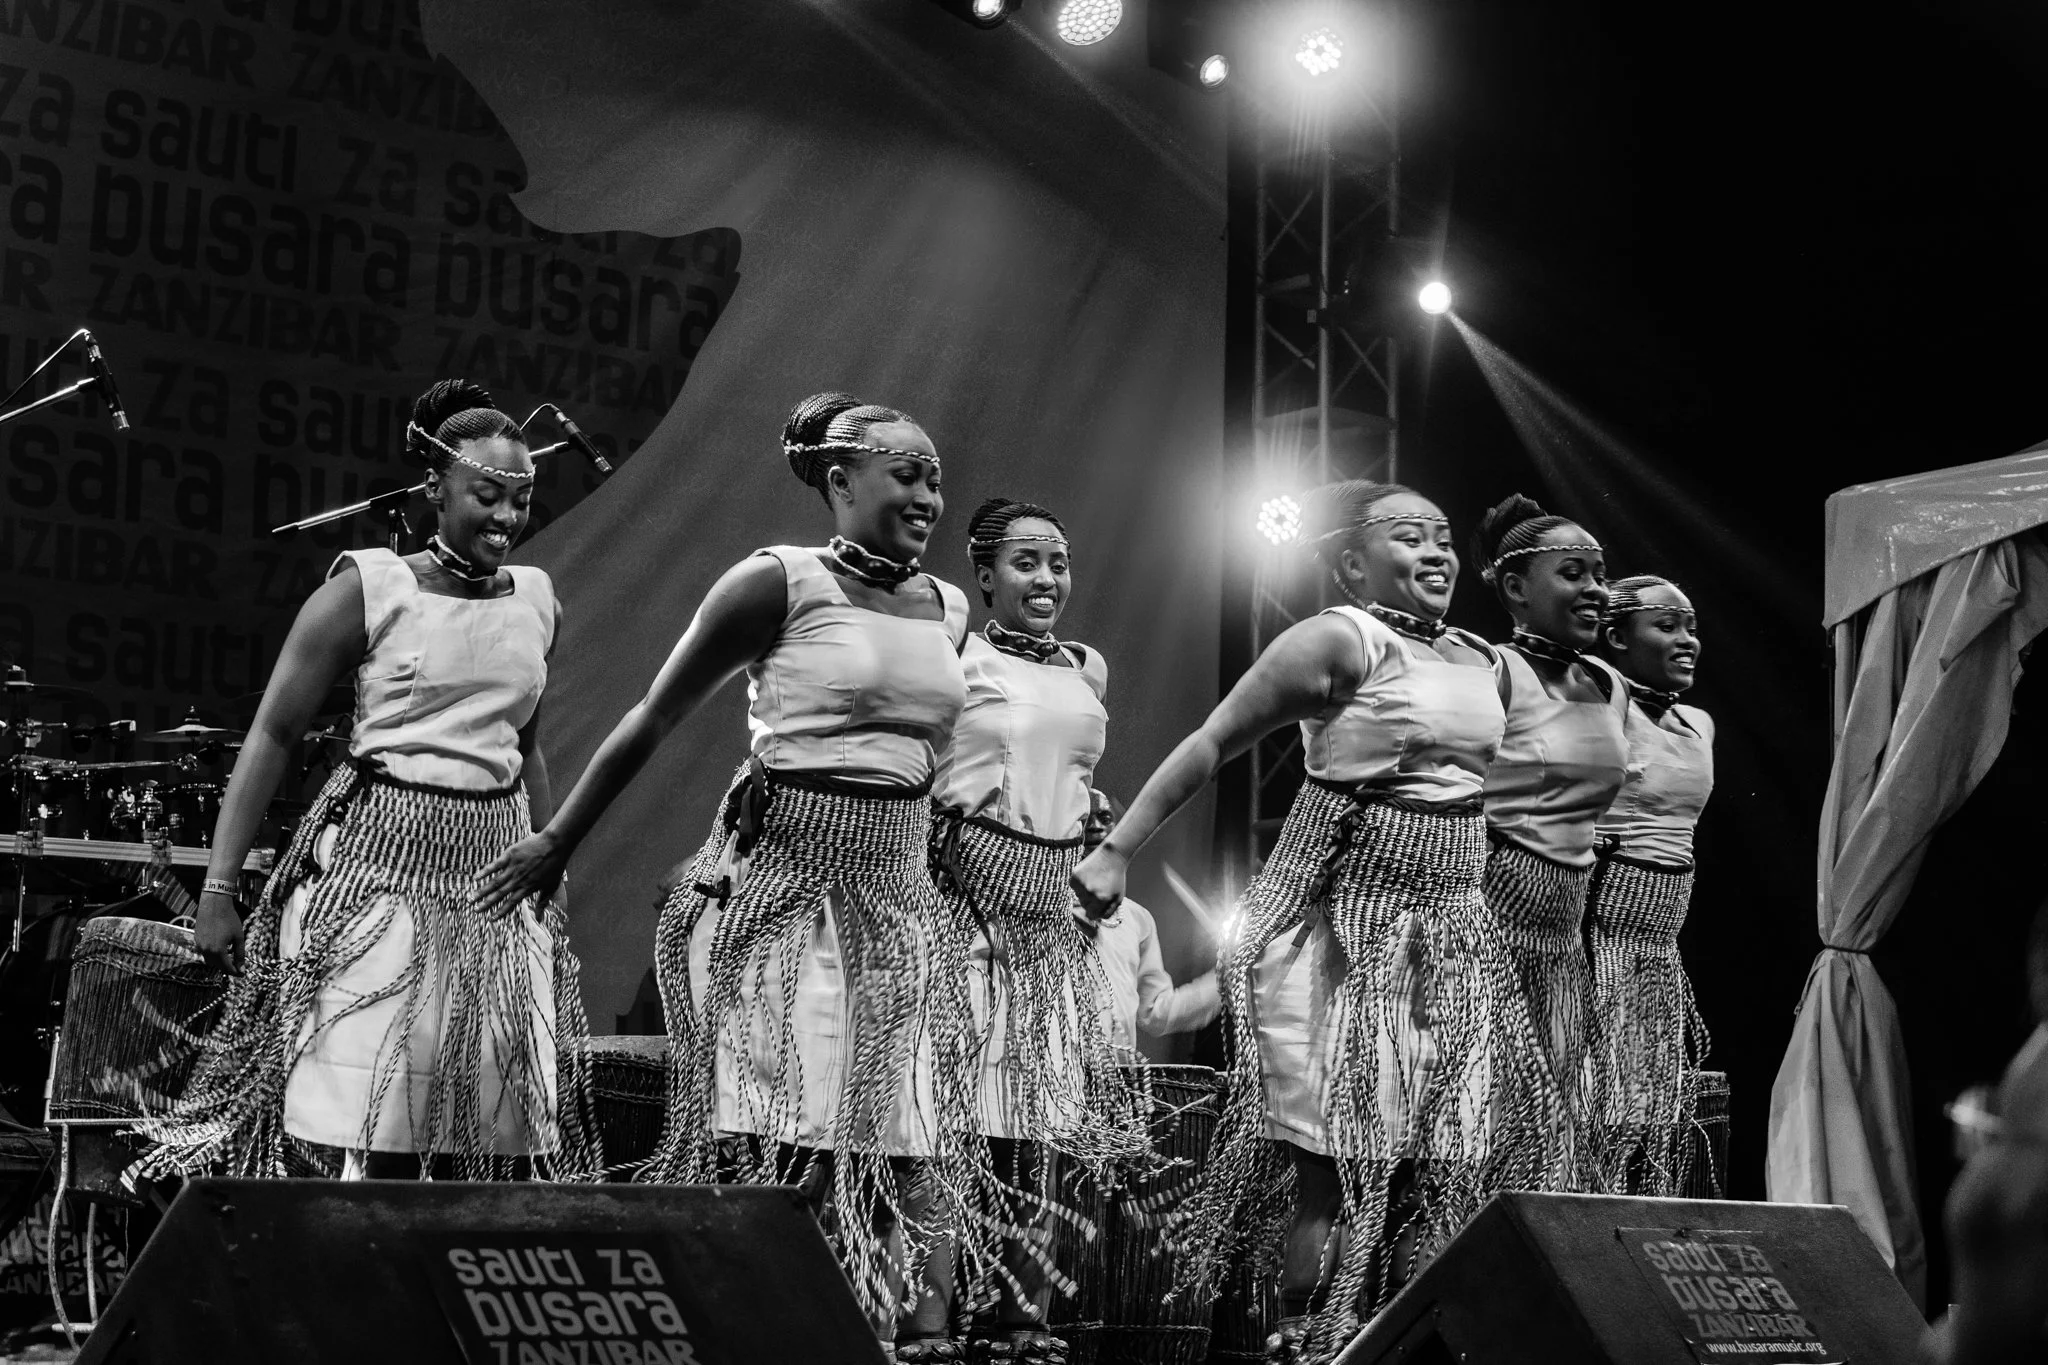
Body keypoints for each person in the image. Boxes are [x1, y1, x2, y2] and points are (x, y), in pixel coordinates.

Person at [476, 393, 970, 1358]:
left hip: (897, 905)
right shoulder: (775, 582)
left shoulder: (949, 607)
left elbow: (918, 755)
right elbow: (651, 718)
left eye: (936, 479)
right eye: (907, 474)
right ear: (840, 480)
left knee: (897, 1142)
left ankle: (877, 1337)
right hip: (789, 905)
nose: (928, 495)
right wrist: (558, 837)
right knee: (794, 1143)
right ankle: (766, 1332)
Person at [1072, 481, 1556, 1364]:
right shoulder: (1341, 638)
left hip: (1449, 943)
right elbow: (1213, 742)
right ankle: (1304, 1344)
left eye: (1444, 535)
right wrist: (1117, 850)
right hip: (1335, 939)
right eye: (1409, 536)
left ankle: (1410, 1346)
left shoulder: (1481, 658)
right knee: (1330, 1176)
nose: (1438, 552)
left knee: (1433, 1173)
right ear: (1349, 561)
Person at [137, 379, 596, 1182]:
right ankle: (358, 1288)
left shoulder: (537, 599)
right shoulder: (367, 588)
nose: (506, 517)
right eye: (486, 495)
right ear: (435, 488)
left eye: (521, 499)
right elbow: (275, 731)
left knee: (484, 1131)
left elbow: (526, 745)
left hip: (492, 879)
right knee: (381, 1123)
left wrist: (549, 867)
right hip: (381, 870)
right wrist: (216, 886)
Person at [930, 499, 1149, 1362]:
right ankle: (928, 1323)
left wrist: (1092, 821)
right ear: (984, 575)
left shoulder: (1086, 667)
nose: (1047, 578)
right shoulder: (955, 649)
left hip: (1048, 924)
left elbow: (1077, 776)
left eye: (1058, 562)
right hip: (959, 910)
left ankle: (1022, 1320)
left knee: (1036, 1129)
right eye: (1026, 562)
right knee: (946, 1126)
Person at [1470, 493, 1628, 1194]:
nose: (1596, 589)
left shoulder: (1611, 684)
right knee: (1483, 1120)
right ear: (1514, 588)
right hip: (1490, 927)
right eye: (1573, 573)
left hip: (1566, 939)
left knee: (1553, 1130)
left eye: (1600, 573)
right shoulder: (1494, 672)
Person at [1588, 575, 1714, 1194]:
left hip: (1658, 946)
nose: (1687, 640)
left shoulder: (1699, 724)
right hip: (1597, 932)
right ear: (1616, 637)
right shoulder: (1604, 695)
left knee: (1639, 1120)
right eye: (1666, 626)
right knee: (1585, 1112)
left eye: (1691, 626)